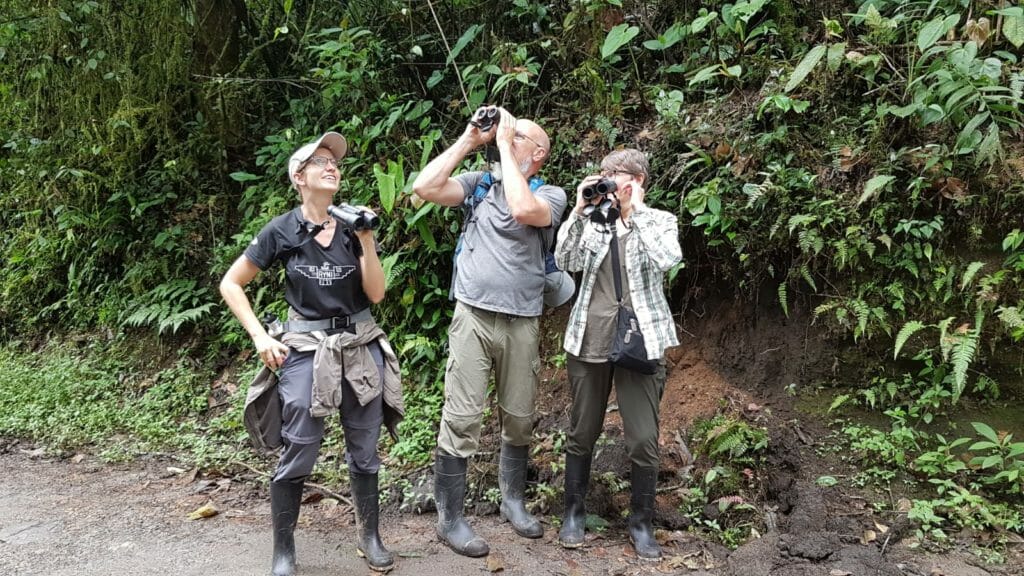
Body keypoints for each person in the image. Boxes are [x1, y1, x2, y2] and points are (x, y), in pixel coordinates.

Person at [220, 132, 403, 575]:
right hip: (306, 348)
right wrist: (262, 337)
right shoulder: (281, 230)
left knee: (365, 445)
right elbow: (231, 283)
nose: (331, 166)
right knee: (299, 442)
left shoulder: (354, 224)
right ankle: (283, 549)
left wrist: (366, 240)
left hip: (359, 345)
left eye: (334, 161)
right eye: (319, 161)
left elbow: (376, 294)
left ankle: (369, 536)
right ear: (299, 177)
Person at [411, 106, 567, 557]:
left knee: (519, 416)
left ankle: (512, 501)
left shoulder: (552, 194)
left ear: (537, 153)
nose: (507, 137)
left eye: (518, 137)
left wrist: (503, 142)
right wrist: (469, 140)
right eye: (509, 134)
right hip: (474, 317)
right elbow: (423, 188)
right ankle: (451, 518)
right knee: (460, 417)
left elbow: (523, 209)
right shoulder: (479, 185)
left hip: (521, 320)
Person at [553, 149, 681, 560]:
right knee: (582, 430)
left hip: (641, 339)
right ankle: (573, 513)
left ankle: (641, 524)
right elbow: (564, 260)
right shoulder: (593, 222)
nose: (606, 179)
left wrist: (635, 212)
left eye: (616, 174)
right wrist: (578, 209)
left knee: (643, 438)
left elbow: (668, 259)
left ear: (638, 180)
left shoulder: (659, 221)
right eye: (603, 173)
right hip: (591, 336)